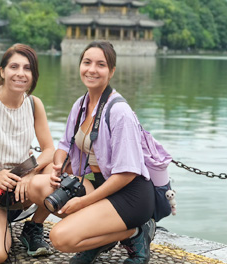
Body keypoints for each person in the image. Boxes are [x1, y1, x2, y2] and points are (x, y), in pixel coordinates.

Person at [30, 41, 155, 264]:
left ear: (112, 71)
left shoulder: (119, 111)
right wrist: (59, 165)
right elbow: (65, 145)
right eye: (87, 62)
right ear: (80, 66)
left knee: (60, 238)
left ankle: (136, 232)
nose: (92, 69)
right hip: (97, 183)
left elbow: (127, 174)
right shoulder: (81, 104)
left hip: (130, 194)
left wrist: (84, 203)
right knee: (37, 186)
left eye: (101, 65)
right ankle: (98, 238)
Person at [0, 43, 56, 264]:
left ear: (33, 76)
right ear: (3, 71)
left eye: (27, 68)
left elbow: (49, 149)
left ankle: (33, 226)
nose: (20, 73)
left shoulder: (34, 104)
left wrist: (30, 175)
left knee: (57, 168)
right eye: (14, 66)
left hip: (21, 190)